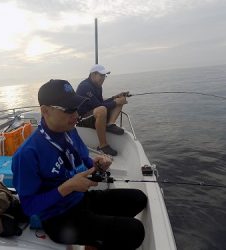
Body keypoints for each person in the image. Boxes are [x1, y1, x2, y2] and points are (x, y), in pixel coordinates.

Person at [12, 79, 147, 250]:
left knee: (138, 199)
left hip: (82, 199)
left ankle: (94, 240)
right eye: (69, 110)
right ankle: (96, 238)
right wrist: (67, 187)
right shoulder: (27, 154)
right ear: (45, 111)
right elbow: (29, 207)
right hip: (58, 219)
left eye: (76, 108)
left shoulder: (70, 130)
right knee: (134, 231)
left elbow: (85, 160)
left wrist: (96, 164)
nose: (76, 115)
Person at [76, 64, 129, 156]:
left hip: (94, 114)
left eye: (105, 76)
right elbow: (99, 106)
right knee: (103, 109)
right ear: (93, 74)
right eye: (101, 75)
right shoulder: (85, 86)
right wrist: (115, 101)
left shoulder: (98, 86)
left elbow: (100, 103)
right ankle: (103, 146)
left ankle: (110, 124)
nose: (104, 78)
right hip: (83, 119)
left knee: (119, 101)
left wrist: (115, 97)